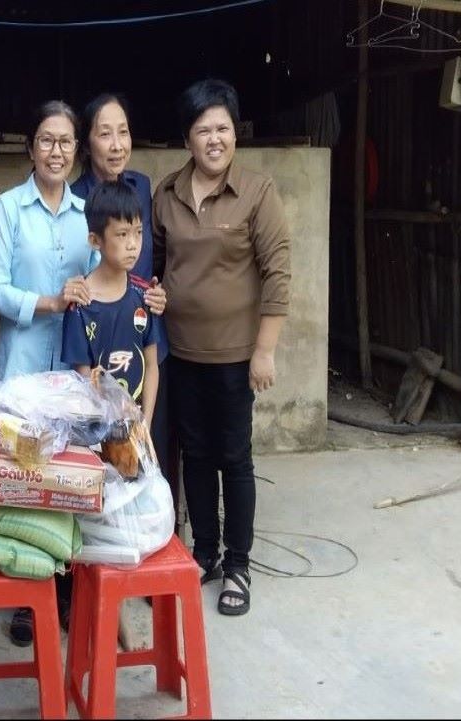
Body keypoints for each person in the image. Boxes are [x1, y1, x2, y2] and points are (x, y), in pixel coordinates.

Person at [0, 100, 166, 647]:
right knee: (27, 481)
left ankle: (71, 592)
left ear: (75, 148)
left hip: (78, 369)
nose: (56, 151)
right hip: (24, 366)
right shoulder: (10, 209)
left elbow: (108, 274)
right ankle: (27, 600)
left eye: (65, 141)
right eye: (46, 140)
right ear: (31, 147)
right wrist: (50, 301)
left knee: (75, 485)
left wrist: (143, 294)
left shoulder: (89, 209)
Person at [152, 78, 291, 617]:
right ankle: (204, 553)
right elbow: (156, 263)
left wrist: (265, 349)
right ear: (187, 138)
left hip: (235, 356)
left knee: (234, 456)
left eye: (224, 128)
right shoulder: (166, 193)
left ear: (236, 134)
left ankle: (239, 564)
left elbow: (278, 273)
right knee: (195, 454)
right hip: (180, 352)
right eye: (204, 129)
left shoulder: (258, 192)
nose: (215, 139)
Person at [61, 179, 166, 650]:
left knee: (137, 519)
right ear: (95, 240)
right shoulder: (81, 305)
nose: (131, 244)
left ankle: (125, 603)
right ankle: (104, 617)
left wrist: (144, 421)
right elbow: (85, 378)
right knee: (100, 525)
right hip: (96, 438)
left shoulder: (145, 297)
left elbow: (153, 360)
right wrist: (110, 417)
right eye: (121, 235)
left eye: (137, 233)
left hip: (137, 435)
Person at [70, 92, 175, 501]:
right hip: (96, 342)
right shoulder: (75, 195)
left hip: (143, 339)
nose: (117, 145)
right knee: (106, 460)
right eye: (105, 134)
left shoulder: (141, 186)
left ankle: (160, 536)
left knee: (151, 449)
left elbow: (149, 258)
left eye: (124, 132)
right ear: (87, 143)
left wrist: (156, 289)